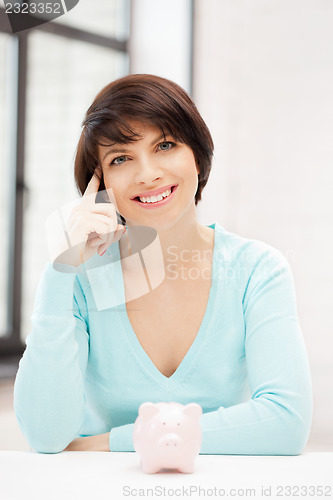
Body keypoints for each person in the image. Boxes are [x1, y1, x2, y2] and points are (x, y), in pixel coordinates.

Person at [14, 74, 312, 454]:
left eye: (165, 145)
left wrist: (116, 442)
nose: (147, 174)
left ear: (198, 158)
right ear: (99, 184)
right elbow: (45, 434)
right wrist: (61, 268)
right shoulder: (80, 280)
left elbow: (286, 422)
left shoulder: (256, 269)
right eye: (121, 158)